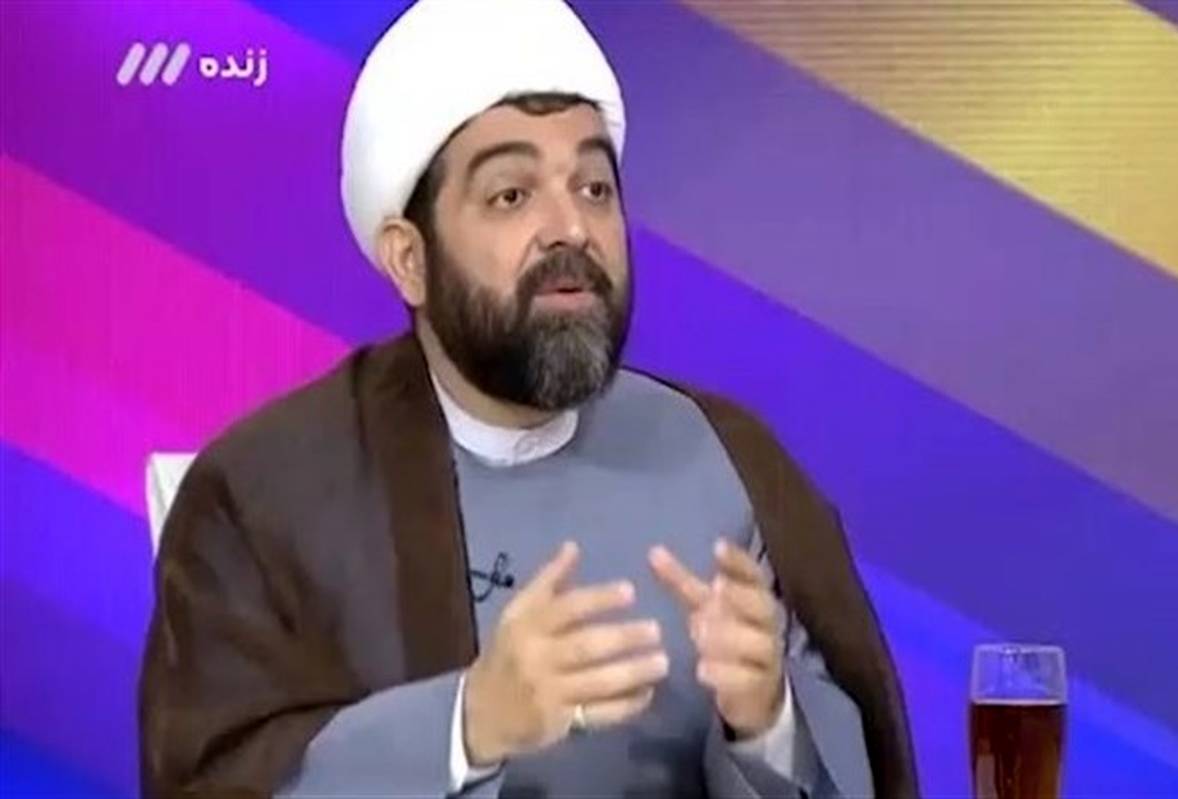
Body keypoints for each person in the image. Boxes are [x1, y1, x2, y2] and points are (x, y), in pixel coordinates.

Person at [138, 0, 917, 796]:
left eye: (594, 187)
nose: (570, 228)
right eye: (512, 195)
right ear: (409, 259)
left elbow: (853, 773)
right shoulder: (267, 495)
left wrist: (768, 725)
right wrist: (466, 726)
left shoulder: (723, 457)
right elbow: (216, 778)